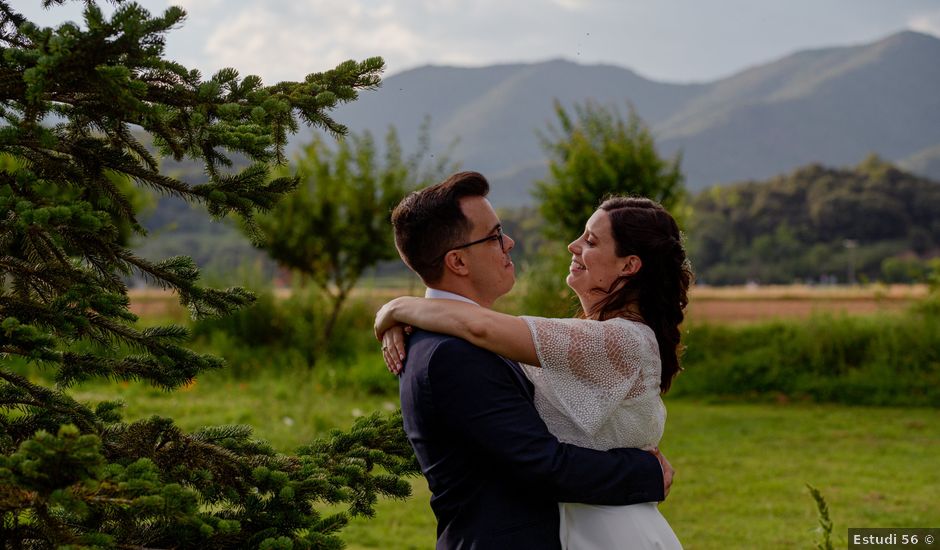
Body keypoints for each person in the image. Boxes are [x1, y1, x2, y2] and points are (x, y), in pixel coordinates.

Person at [377, 177, 691, 549]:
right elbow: (542, 464)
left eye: (590, 241)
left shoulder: (618, 340)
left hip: (609, 529)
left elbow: (481, 327)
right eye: (495, 235)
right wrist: (646, 472)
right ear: (458, 261)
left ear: (630, 265)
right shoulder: (450, 352)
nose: (509, 243)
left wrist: (397, 308)